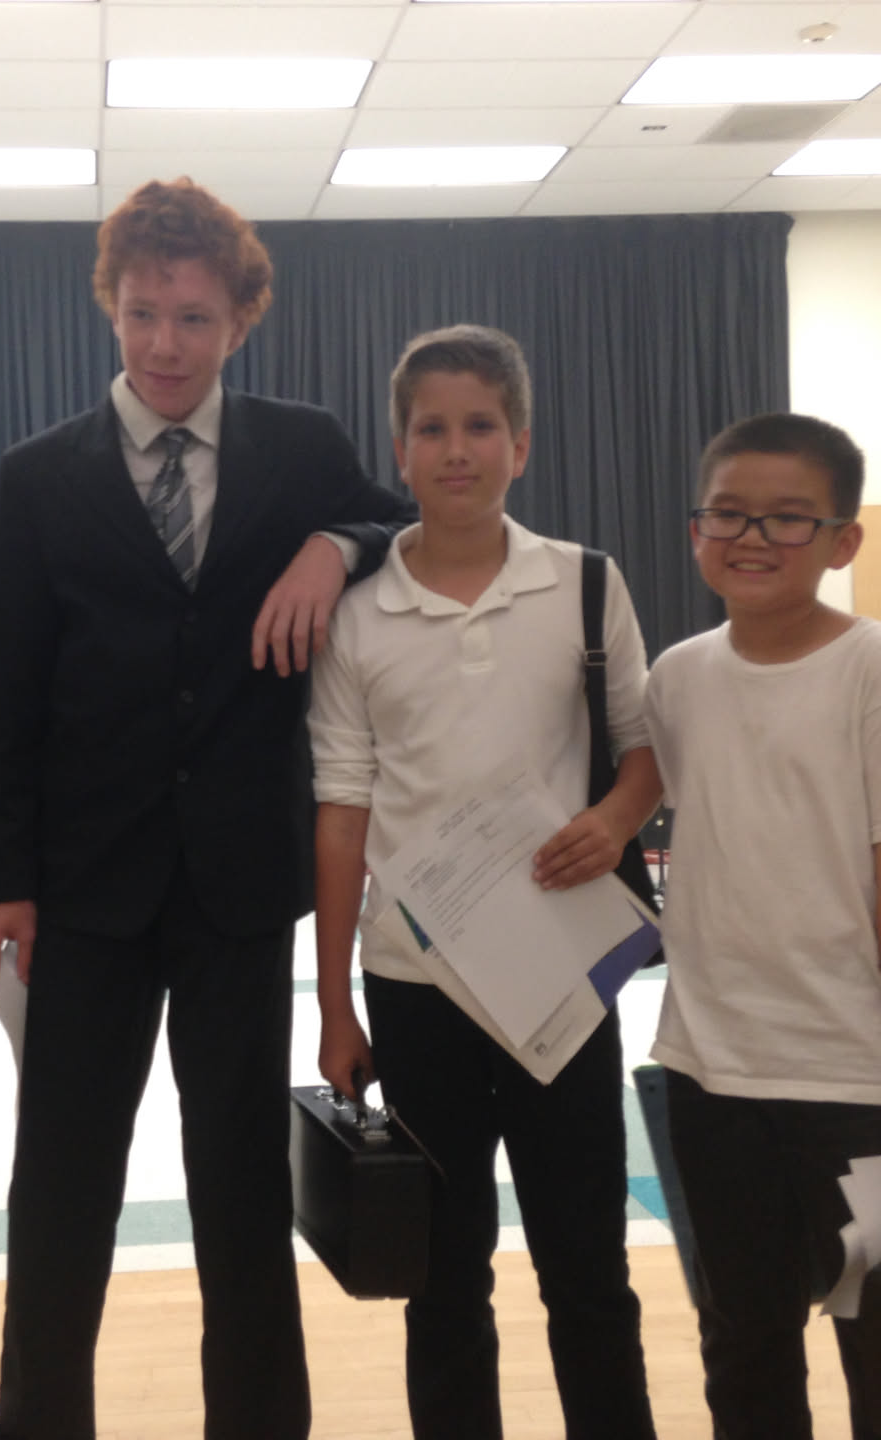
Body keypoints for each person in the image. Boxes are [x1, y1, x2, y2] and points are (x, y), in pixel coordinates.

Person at [0, 177, 414, 1440]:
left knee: (238, 1184)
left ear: (240, 321)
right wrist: (10, 881)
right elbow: (12, 686)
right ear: (110, 307)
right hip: (85, 888)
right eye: (143, 313)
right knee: (61, 1185)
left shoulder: (299, 447)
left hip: (237, 883)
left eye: (195, 318)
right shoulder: (38, 474)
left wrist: (334, 545)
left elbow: (397, 522)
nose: (166, 344)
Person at [307, 324, 660, 1440]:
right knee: (444, 1283)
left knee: (588, 1270)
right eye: (431, 429)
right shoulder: (356, 615)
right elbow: (342, 813)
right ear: (399, 450)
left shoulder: (586, 584)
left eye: (479, 426)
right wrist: (334, 1003)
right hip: (416, 988)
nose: (455, 450)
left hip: (561, 982)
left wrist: (614, 820)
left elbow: (645, 749)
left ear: (522, 443)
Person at [644, 413, 881, 1439]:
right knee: (743, 1343)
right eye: (729, 514)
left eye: (789, 518)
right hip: (709, 1074)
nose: (753, 538)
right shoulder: (676, 676)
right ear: (695, 529)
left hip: (854, 1081)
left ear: (843, 540)